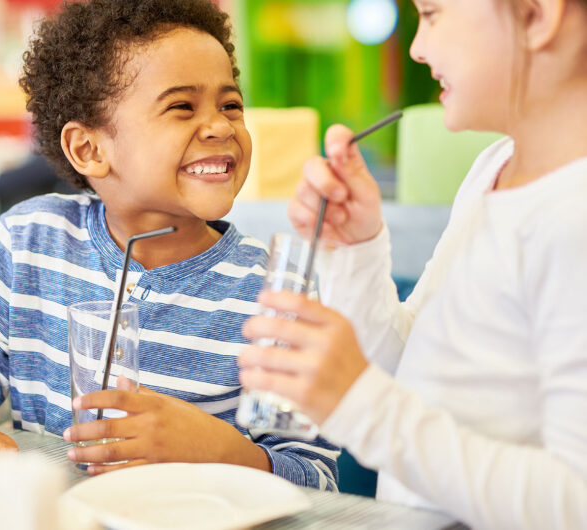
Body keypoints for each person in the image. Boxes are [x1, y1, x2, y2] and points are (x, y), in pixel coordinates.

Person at [0, 0, 339, 487]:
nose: (220, 126)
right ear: (89, 149)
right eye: (181, 107)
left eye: (231, 105)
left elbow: (318, 478)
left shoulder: (273, 290)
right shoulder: (31, 240)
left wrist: (224, 451)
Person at [238, 0, 587, 526]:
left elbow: (573, 502)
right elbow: (407, 368)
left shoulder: (574, 214)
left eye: (432, 13)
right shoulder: (493, 168)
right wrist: (358, 247)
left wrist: (363, 406)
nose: (418, 47)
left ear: (537, 16)